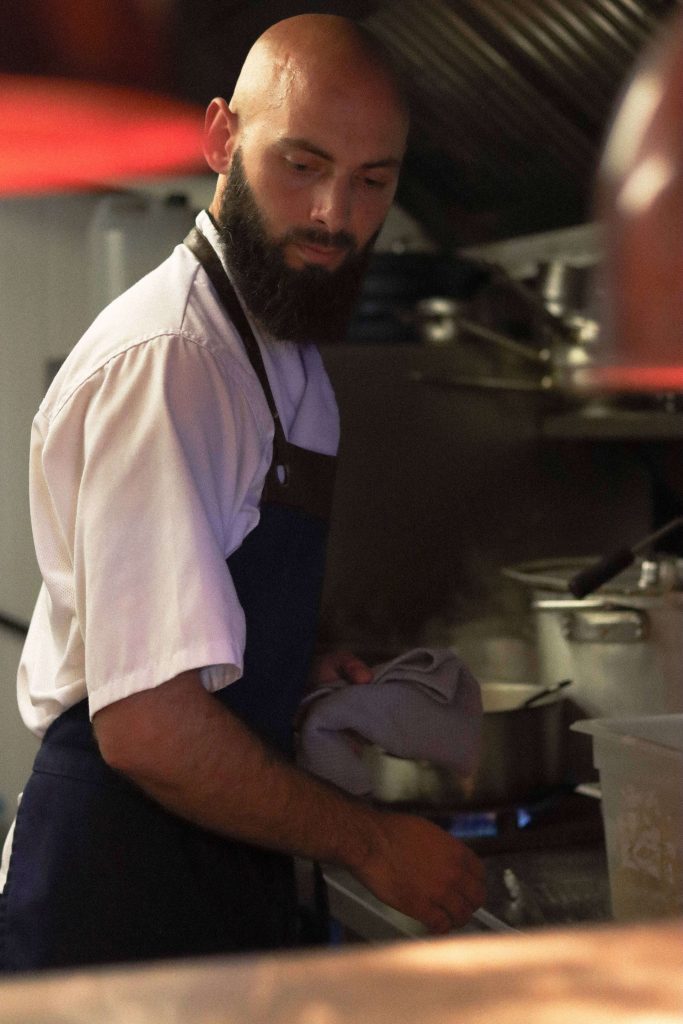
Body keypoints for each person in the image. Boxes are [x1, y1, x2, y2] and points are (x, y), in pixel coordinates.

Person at [0, 14, 485, 972]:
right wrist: (374, 842)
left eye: (371, 182)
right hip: (114, 901)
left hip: (211, 878)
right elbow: (146, 724)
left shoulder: (280, 351)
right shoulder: (174, 363)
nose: (333, 216)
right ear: (222, 137)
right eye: (300, 164)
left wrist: (285, 664)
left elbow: (198, 620)